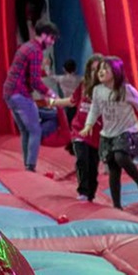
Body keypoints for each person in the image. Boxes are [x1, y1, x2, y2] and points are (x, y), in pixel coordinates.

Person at [81, 56, 138, 210]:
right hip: (108, 134)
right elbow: (94, 110)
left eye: (105, 68)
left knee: (120, 156)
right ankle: (117, 206)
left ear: (116, 72)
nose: (101, 71)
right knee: (113, 168)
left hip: (127, 130)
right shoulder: (98, 91)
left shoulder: (127, 90)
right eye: (100, 69)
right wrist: (88, 125)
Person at [3, 20, 61, 172]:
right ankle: (30, 167)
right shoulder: (35, 51)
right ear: (43, 35)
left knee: (26, 131)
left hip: (10, 93)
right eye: (51, 38)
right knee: (35, 130)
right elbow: (35, 80)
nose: (52, 42)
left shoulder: (26, 46)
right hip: (20, 94)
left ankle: (27, 164)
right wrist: (49, 93)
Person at [51, 54, 104, 201]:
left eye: (98, 69)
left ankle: (90, 192)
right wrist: (54, 102)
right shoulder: (83, 85)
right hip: (79, 129)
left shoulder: (106, 89)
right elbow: (72, 101)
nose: (95, 73)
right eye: (92, 69)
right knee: (82, 159)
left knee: (93, 166)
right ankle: (83, 191)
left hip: (96, 134)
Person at [55, 58, 82, 124]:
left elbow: (49, 76)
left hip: (68, 104)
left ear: (64, 69)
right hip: (78, 105)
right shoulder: (80, 79)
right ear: (75, 69)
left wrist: (47, 66)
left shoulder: (61, 79)